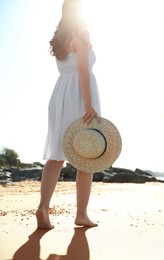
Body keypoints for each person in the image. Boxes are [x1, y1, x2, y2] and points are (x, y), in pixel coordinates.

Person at [36, 0, 100, 229]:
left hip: (60, 94)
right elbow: (83, 70)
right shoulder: (79, 36)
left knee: (56, 156)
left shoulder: (61, 39)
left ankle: (43, 207)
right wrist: (89, 105)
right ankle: (81, 215)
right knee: (87, 156)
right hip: (79, 97)